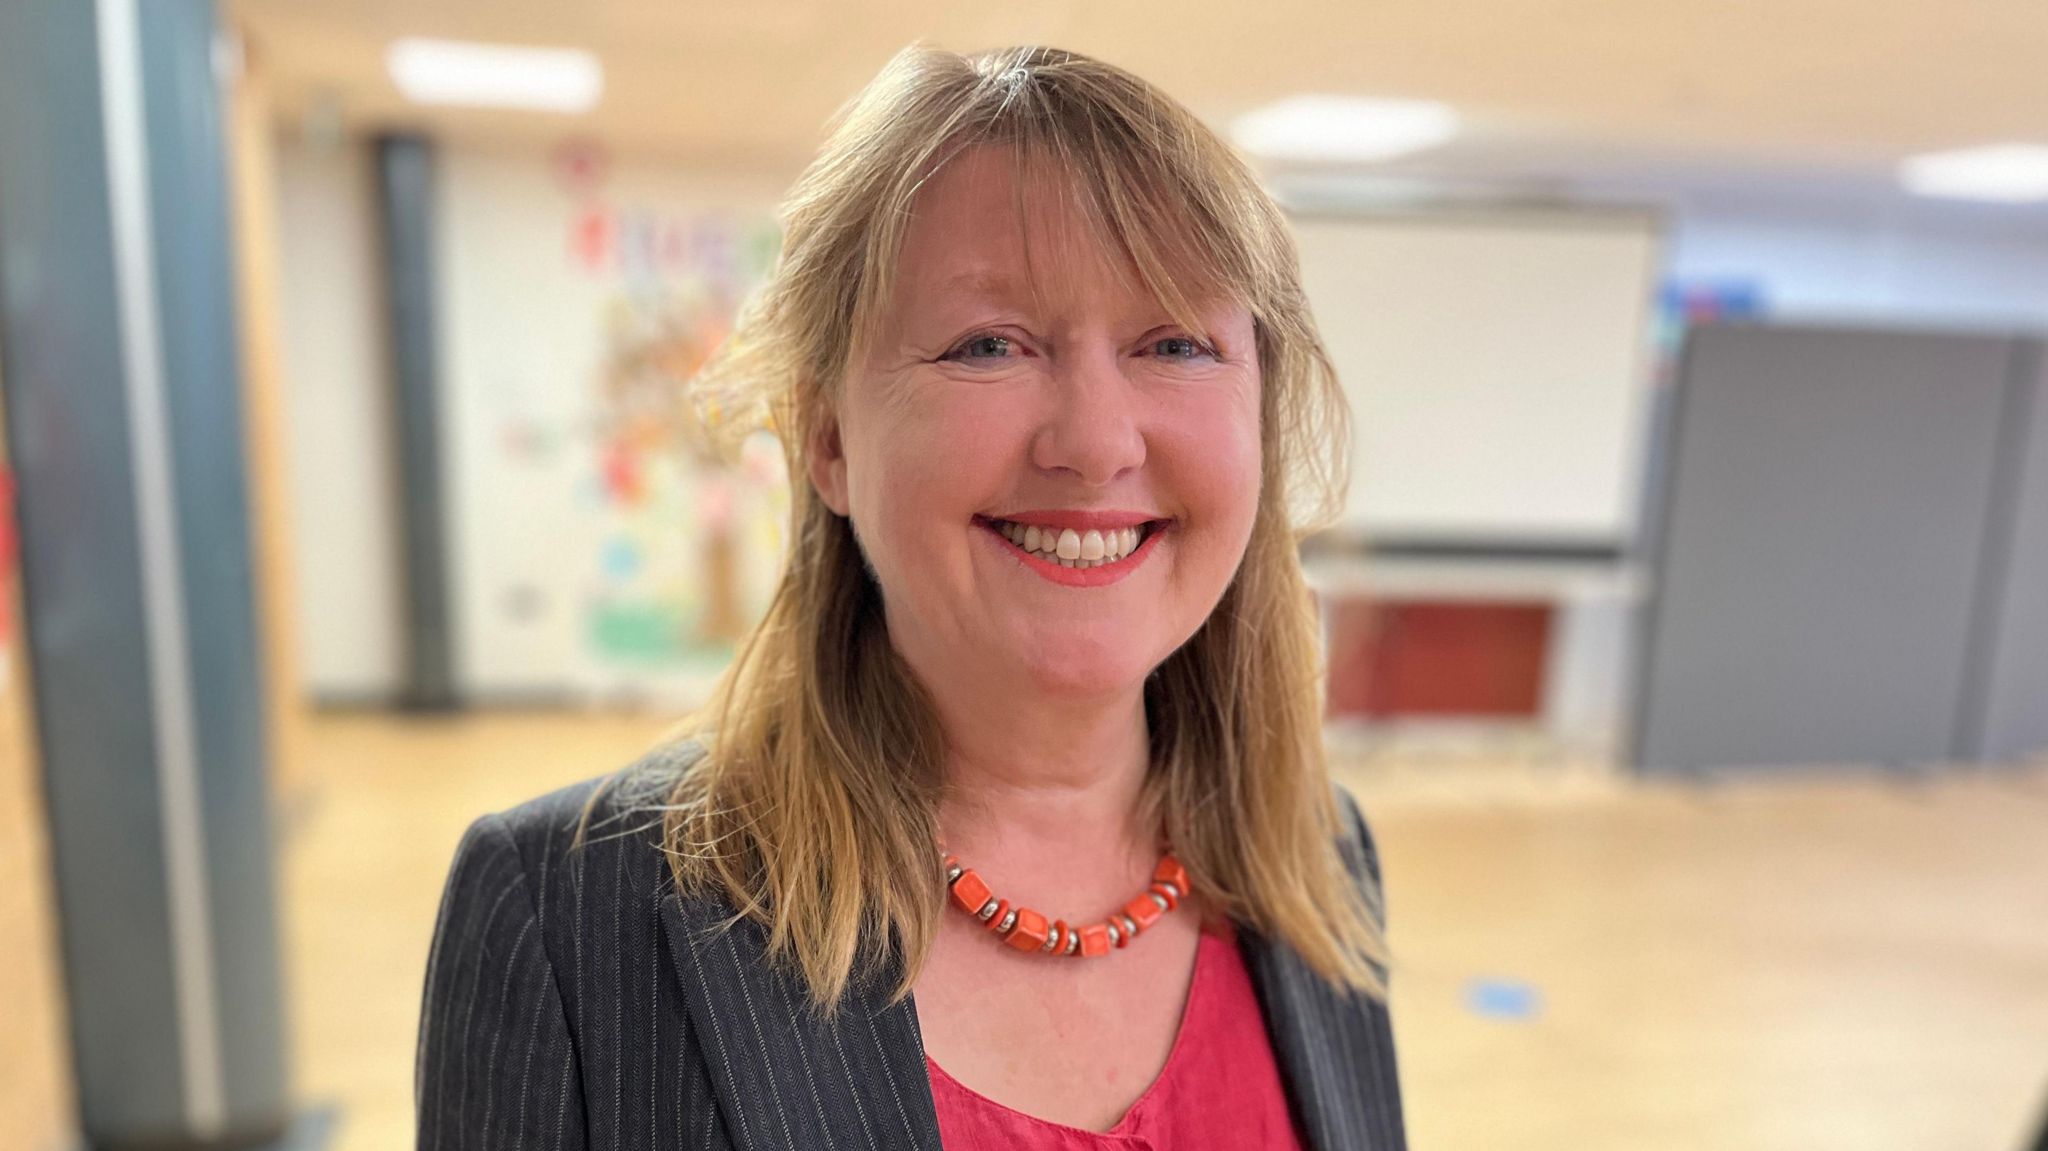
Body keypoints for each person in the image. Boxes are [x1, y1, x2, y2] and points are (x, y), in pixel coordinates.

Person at [416, 43, 1404, 1151]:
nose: (1093, 440)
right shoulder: (567, 913)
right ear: (829, 437)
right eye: (988, 344)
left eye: (1173, 342)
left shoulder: (1318, 862)